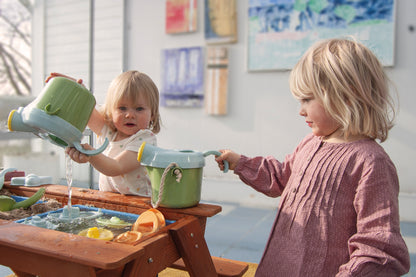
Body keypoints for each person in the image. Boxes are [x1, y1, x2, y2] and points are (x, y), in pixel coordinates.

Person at [215, 38, 410, 276]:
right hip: (278, 266)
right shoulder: (310, 142)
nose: (301, 110)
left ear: (345, 97)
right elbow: (281, 177)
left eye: (307, 99)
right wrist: (240, 162)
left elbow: (380, 246)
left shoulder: (370, 162)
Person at [46, 71, 161, 196]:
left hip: (139, 205)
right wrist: (74, 88)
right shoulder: (109, 131)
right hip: (109, 198)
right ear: (111, 111)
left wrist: (90, 154)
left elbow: (117, 167)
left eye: (139, 109)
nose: (130, 115)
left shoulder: (145, 140)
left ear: (152, 115)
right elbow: (86, 108)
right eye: (122, 108)